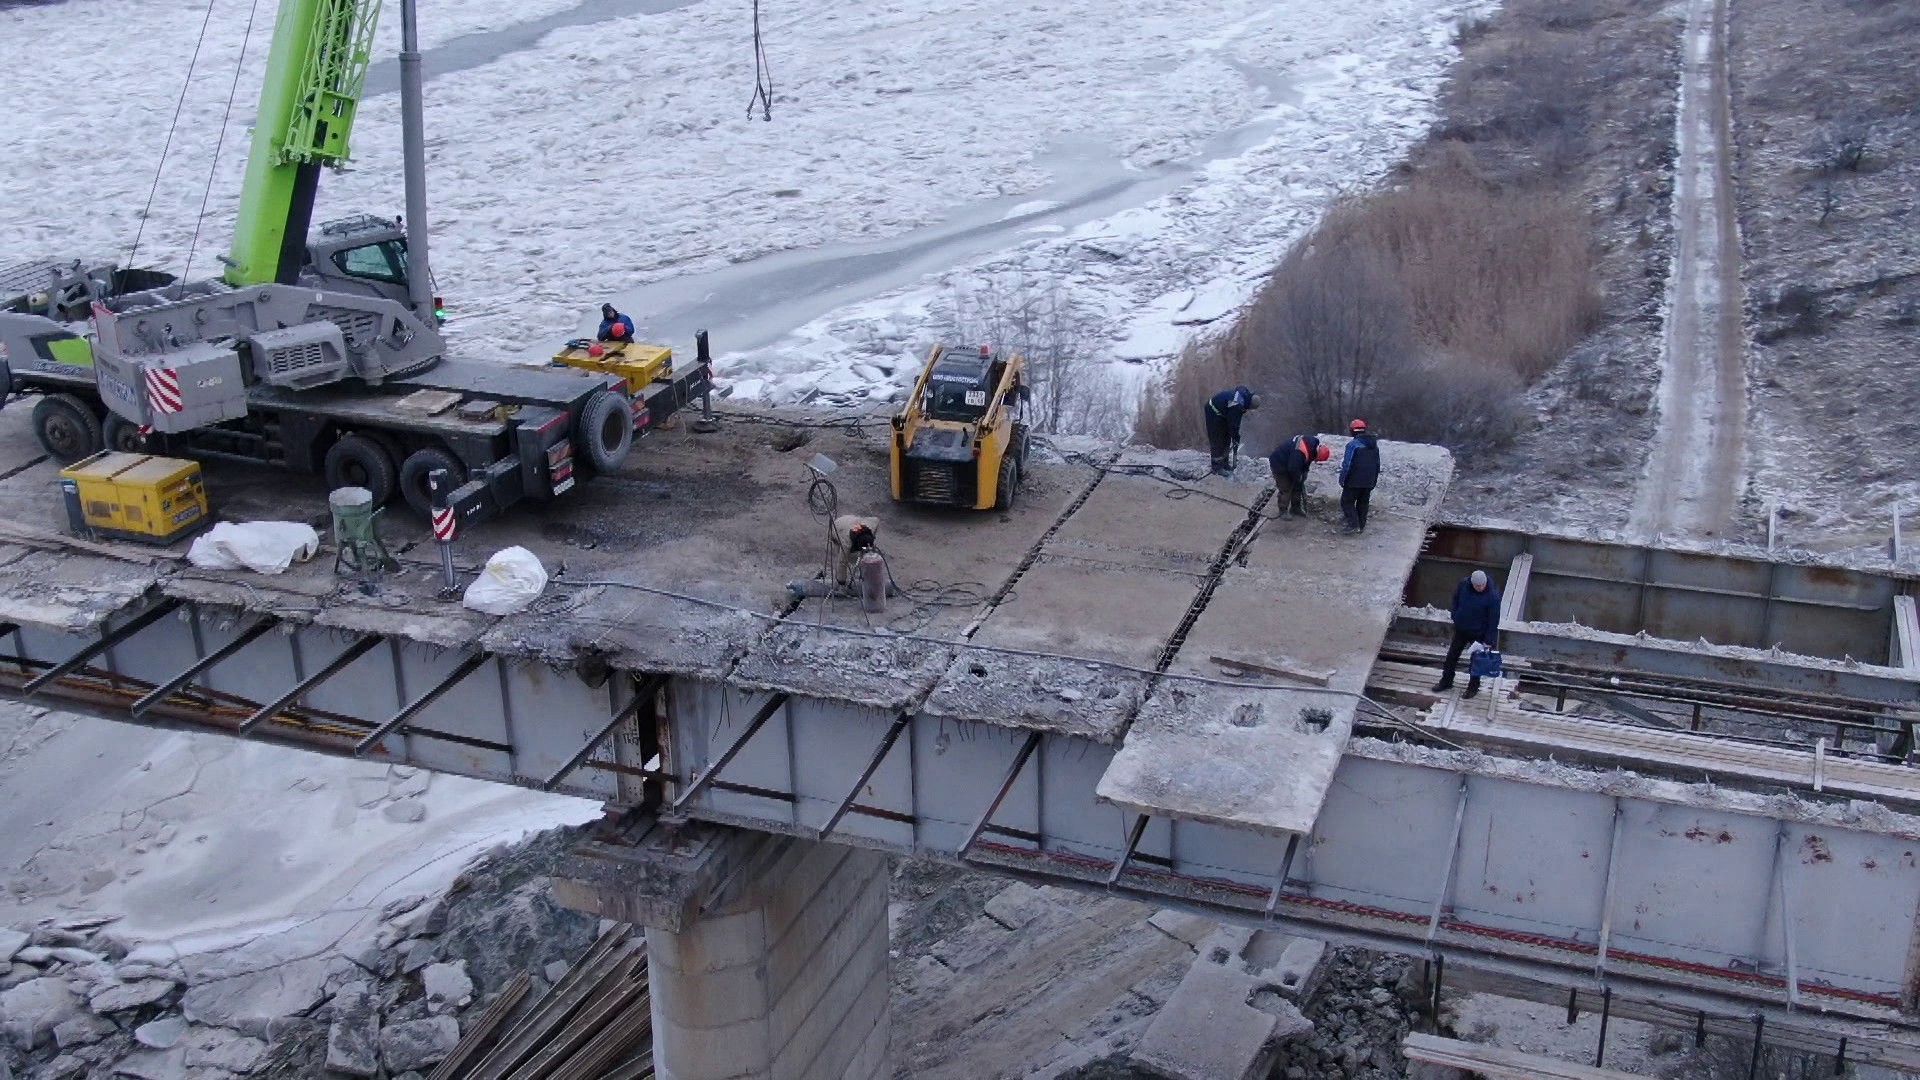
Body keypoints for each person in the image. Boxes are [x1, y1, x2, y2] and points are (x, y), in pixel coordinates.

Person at [1435, 569, 1502, 698]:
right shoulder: (1463, 585)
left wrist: (1488, 641)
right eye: (1478, 586)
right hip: (1462, 629)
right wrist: (1455, 615)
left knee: (1476, 662)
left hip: (1479, 633)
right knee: (1452, 656)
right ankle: (1446, 681)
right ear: (1472, 583)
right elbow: (1456, 599)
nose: (1480, 588)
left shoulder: (1492, 597)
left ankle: (1473, 688)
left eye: (1482, 585)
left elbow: (1493, 620)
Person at [1268, 433, 1329, 518]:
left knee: (1298, 486)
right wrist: (1298, 477)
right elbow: (1293, 468)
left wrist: (1304, 473)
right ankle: (1283, 510)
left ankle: (1295, 508)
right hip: (1279, 463)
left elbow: (1307, 460)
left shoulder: (1312, 446)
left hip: (1291, 462)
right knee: (1286, 488)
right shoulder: (1300, 452)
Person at [1203, 386, 1260, 474]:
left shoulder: (1244, 394)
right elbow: (1234, 426)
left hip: (1224, 411)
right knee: (1217, 439)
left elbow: (1239, 387)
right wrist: (1236, 437)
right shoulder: (1237, 406)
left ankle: (1224, 463)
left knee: (1227, 437)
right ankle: (1217, 467)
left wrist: (1234, 437)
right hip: (1213, 410)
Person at [1338, 419, 1381, 534]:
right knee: (1363, 503)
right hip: (1369, 480)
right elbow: (1377, 465)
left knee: (1346, 502)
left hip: (1353, 481)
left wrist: (1342, 479)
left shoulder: (1353, 445)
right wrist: (1374, 481)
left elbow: (1347, 464)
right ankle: (1361, 525)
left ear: (1352, 430)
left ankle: (1353, 525)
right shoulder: (1374, 446)